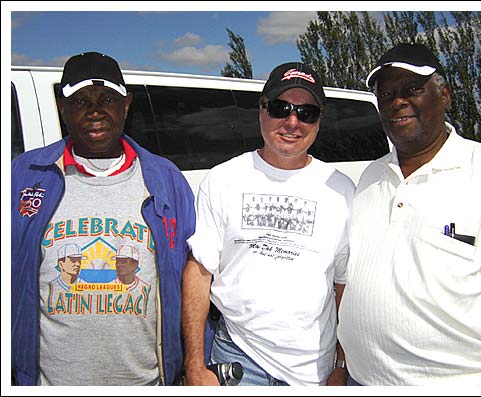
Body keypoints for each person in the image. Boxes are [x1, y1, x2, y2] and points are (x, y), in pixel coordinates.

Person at [11, 52, 195, 385]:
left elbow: (194, 283)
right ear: (62, 108)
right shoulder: (23, 176)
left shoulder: (167, 181)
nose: (95, 111)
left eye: (107, 99)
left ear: (126, 105)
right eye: (80, 100)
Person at [337, 43, 481, 386]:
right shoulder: (371, 177)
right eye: (386, 94)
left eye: (412, 89)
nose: (397, 101)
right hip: (363, 380)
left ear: (443, 95)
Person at [181, 62, 355, 386]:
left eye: (307, 112)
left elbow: (345, 286)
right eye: (280, 108)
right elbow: (199, 272)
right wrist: (194, 365)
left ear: (319, 120)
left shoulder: (342, 190)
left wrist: (342, 363)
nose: (292, 121)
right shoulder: (222, 179)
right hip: (237, 361)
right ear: (262, 111)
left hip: (313, 371)